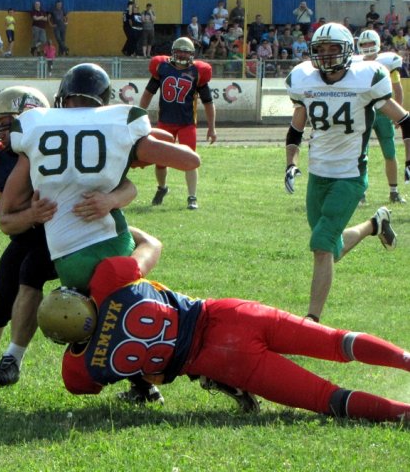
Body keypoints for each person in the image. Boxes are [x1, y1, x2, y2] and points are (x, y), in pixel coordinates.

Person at [0, 86, 141, 395]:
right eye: (0, 125)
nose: (3, 133)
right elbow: (6, 221)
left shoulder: (71, 142)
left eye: (8, 125)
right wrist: (32, 215)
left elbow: (128, 185)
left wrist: (109, 200)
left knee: (109, 308)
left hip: (82, 239)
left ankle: (142, 382)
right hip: (33, 236)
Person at [42, 255, 410, 423]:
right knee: (337, 341)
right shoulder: (107, 280)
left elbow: (85, 385)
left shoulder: (80, 369)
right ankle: (406, 360)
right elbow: (150, 243)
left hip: (221, 360)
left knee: (326, 399)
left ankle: (402, 413)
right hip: (229, 314)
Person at [0, 63, 201, 293]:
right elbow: (190, 161)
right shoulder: (119, 123)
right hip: (113, 246)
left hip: (67, 260)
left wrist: (32, 213)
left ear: (64, 99)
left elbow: (7, 212)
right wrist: (140, 143)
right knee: (151, 245)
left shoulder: (35, 126)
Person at [284, 23, 409, 323]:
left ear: (347, 51)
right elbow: (295, 129)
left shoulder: (365, 79)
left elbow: (405, 119)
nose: (326, 56)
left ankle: (311, 320)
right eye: (321, 50)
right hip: (318, 175)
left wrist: (407, 161)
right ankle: (374, 225)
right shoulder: (305, 81)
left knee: (321, 243)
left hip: (350, 176)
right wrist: (291, 162)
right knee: (331, 248)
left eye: (333, 49)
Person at [139, 37, 216, 210]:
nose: (181, 54)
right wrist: (139, 116)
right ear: (173, 52)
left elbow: (208, 103)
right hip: (165, 122)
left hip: (187, 123)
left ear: (192, 55)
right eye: (179, 51)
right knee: (160, 161)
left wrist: (212, 127)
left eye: (185, 52)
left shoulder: (198, 72)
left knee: (190, 159)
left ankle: (192, 197)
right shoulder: (163, 68)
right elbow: (147, 95)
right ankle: (162, 188)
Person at [358, 30, 407, 204]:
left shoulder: (387, 62)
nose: (367, 47)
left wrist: (398, 114)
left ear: (377, 43)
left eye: (370, 44)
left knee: (390, 152)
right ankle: (360, 193)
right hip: (363, 111)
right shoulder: (356, 63)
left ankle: (394, 191)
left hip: (384, 111)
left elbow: (398, 88)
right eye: (364, 44)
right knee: (361, 153)